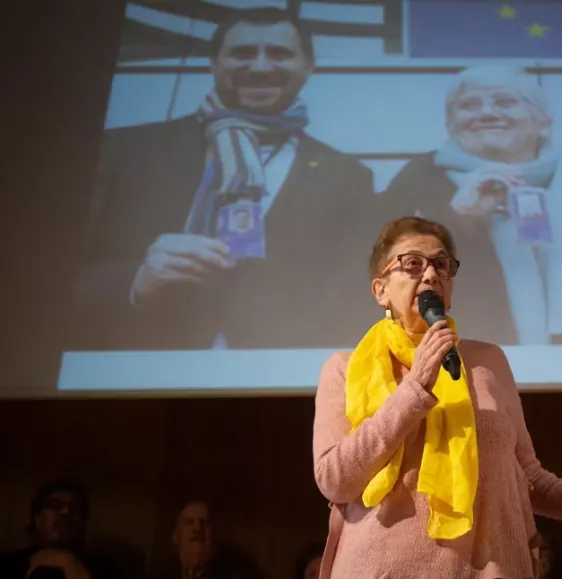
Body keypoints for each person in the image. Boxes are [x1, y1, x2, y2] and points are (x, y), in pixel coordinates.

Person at [311, 215, 562, 579]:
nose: (430, 274)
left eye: (441, 265)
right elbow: (335, 480)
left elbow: (529, 479)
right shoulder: (345, 369)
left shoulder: (488, 361)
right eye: (412, 264)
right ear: (381, 290)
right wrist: (415, 388)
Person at [72, 6, 376, 351]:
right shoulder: (121, 151)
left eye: (279, 54)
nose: (260, 67)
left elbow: (355, 297)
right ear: (213, 63)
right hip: (135, 370)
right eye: (242, 53)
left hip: (277, 375)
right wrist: (135, 279)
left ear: (309, 66)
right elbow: (49, 278)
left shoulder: (348, 178)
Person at [382, 65, 562, 346]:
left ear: (543, 122)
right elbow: (390, 283)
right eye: (470, 105)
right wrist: (459, 221)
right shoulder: (416, 182)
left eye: (505, 102)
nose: (487, 113)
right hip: (463, 358)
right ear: (450, 122)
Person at [0, 480, 126, 579]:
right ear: (37, 519)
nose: (66, 512)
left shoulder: (105, 570)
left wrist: (68, 564)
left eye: (76, 508)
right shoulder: (9, 564)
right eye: (55, 505)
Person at [140, 500, 265, 579]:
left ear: (214, 535)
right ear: (175, 536)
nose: (198, 528)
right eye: (189, 522)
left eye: (205, 523)